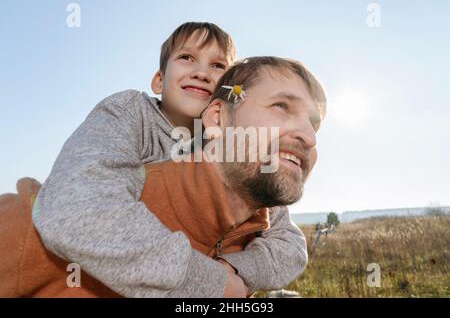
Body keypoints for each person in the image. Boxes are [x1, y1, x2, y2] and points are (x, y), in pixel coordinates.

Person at [0, 56, 326, 298]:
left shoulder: (256, 234)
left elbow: (292, 250)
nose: (309, 137)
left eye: (315, 124)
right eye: (282, 106)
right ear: (217, 118)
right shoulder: (30, 226)